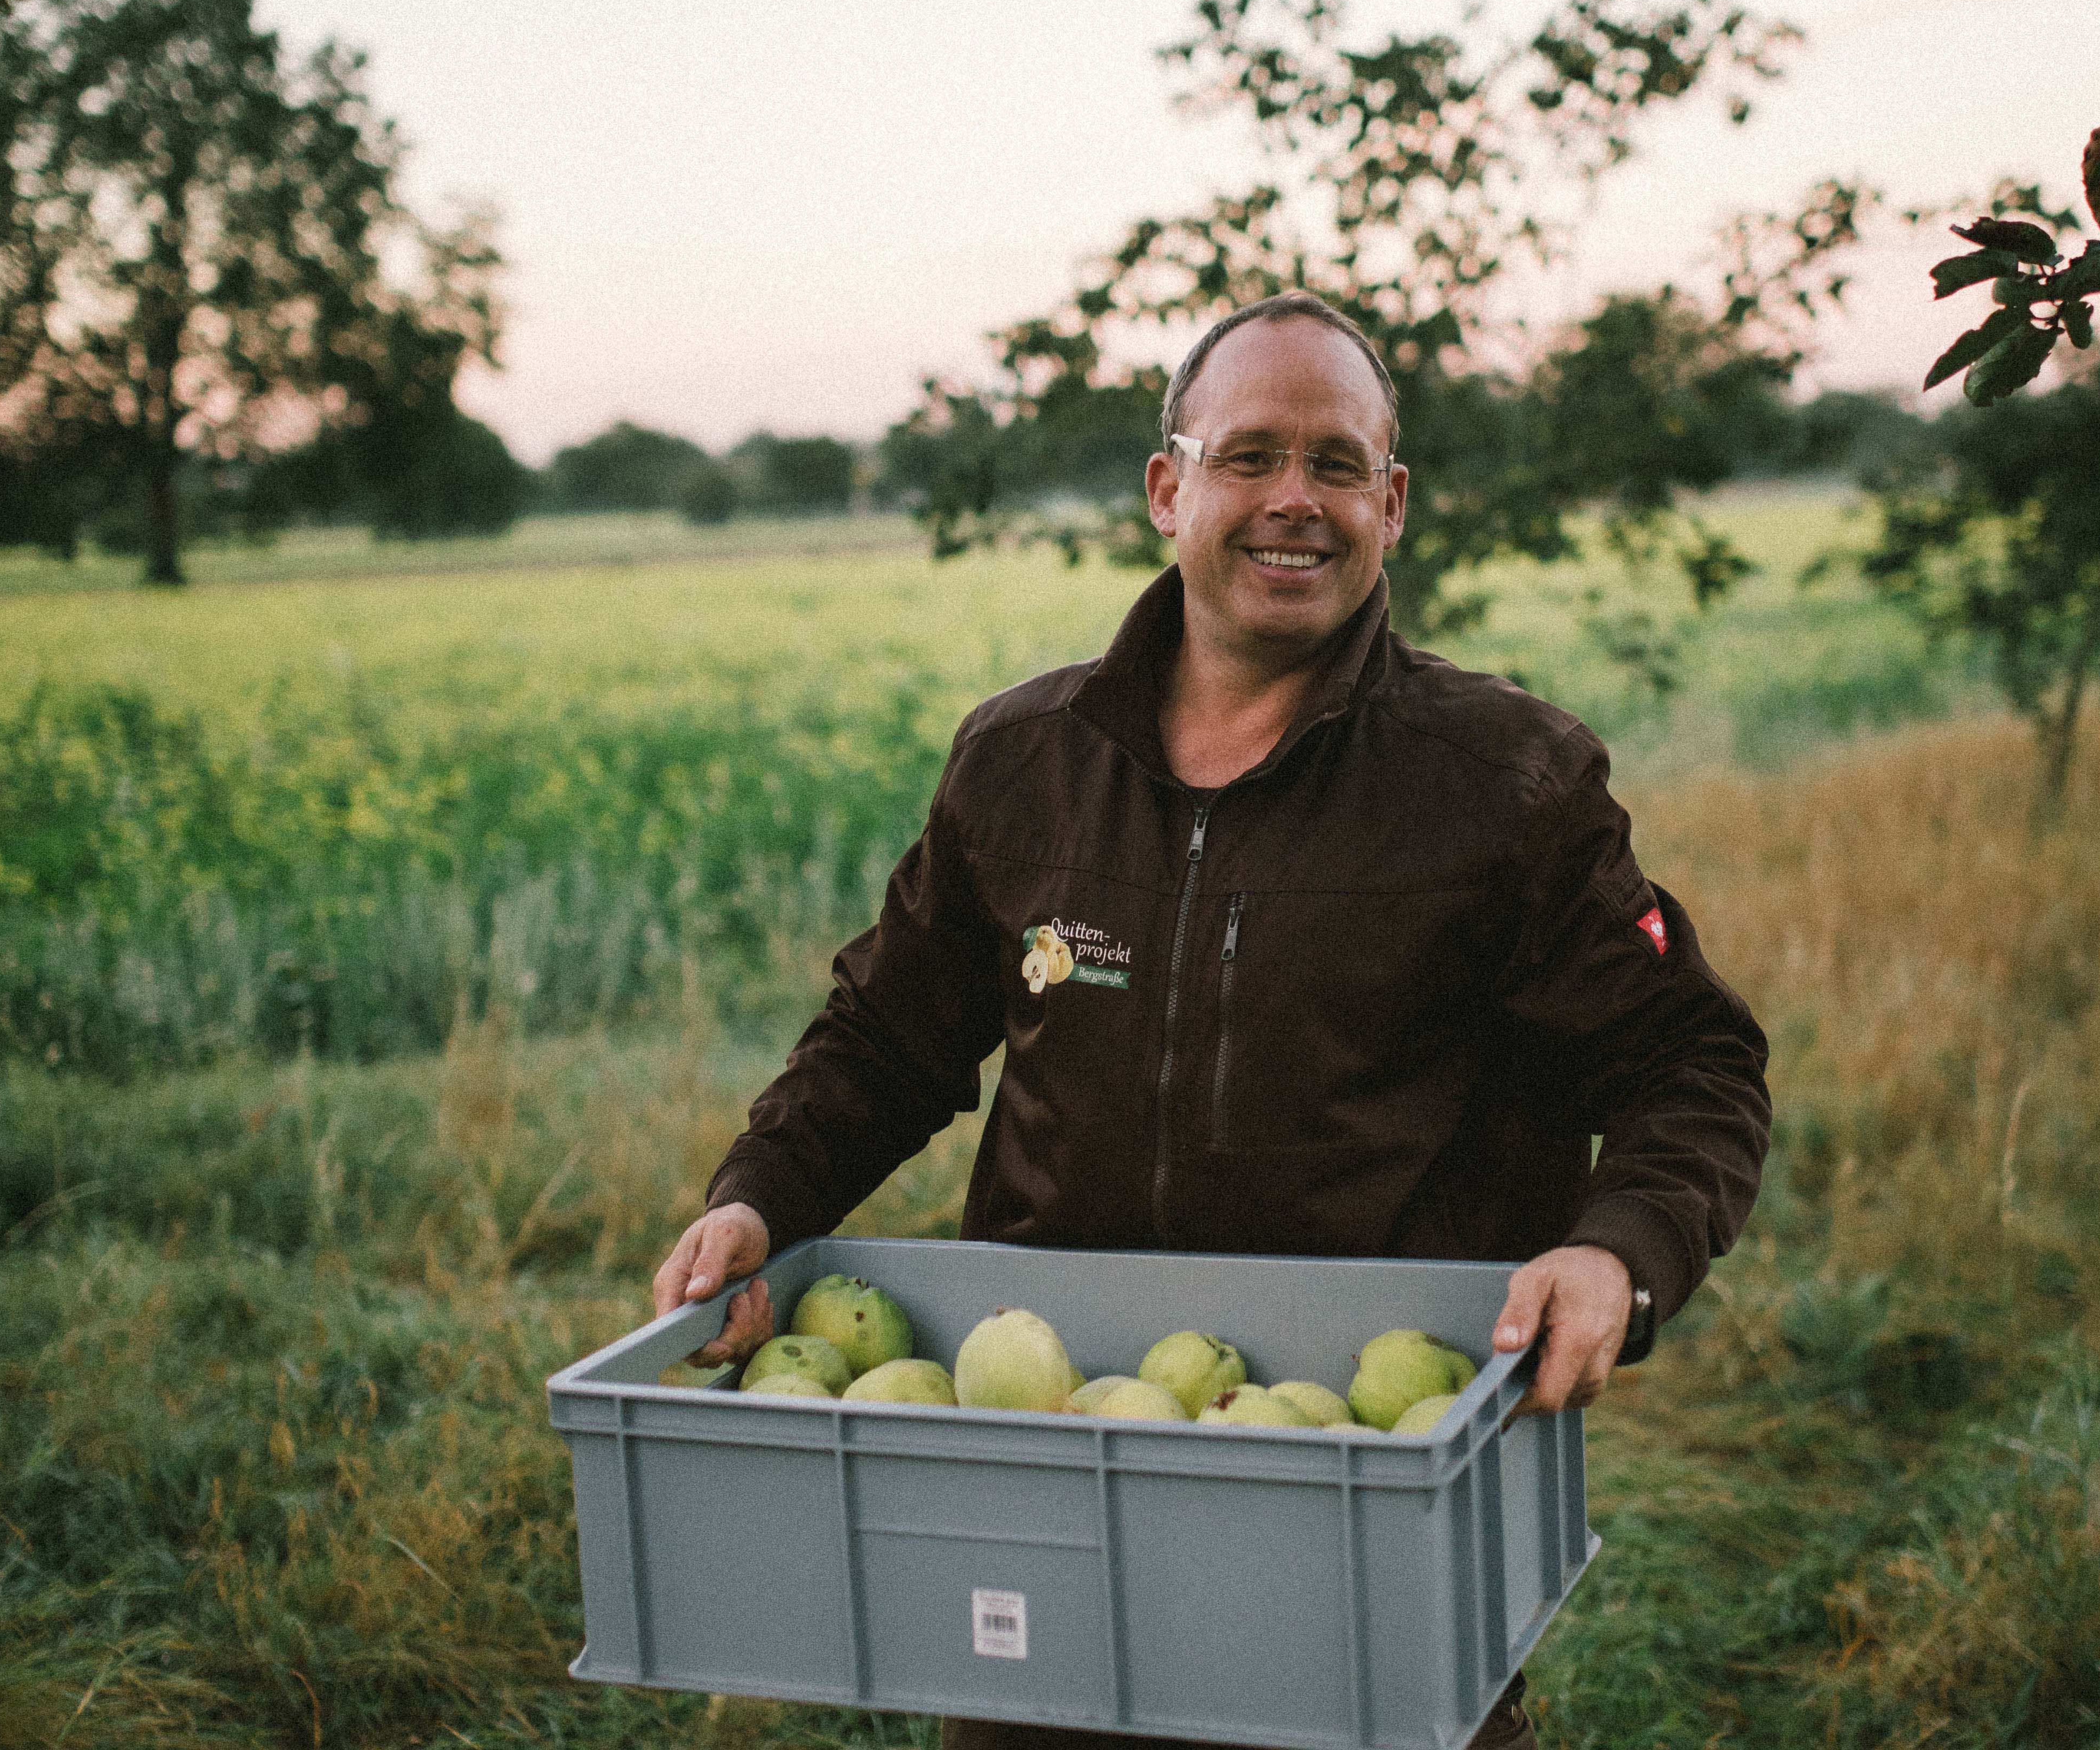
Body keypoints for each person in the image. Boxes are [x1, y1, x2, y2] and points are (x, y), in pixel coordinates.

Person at [652, 292, 1770, 1750]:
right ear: (1171, 489)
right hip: (1048, 1461)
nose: (1294, 500)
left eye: (1337, 462)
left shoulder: (1505, 781)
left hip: (1367, 1477)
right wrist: (761, 1197)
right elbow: (888, 1037)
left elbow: (1695, 1064)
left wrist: (1621, 1253)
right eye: (1250, 456)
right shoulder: (1025, 762)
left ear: (1395, 502)